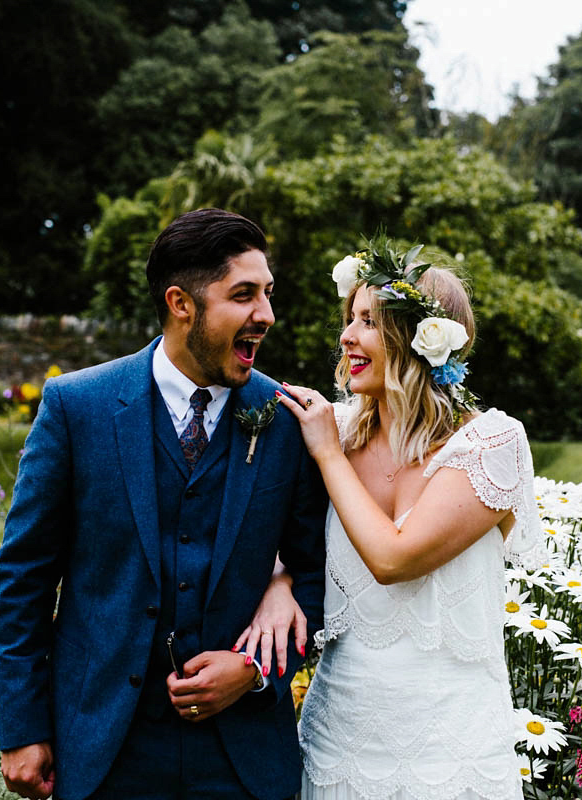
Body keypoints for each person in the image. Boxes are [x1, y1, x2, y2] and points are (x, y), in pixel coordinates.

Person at [0, 208, 327, 800]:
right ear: (181, 303)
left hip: (243, 762)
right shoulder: (78, 407)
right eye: (244, 295)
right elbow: (24, 578)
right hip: (104, 752)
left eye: (268, 294)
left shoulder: (287, 420)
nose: (267, 316)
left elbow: (319, 578)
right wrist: (22, 728)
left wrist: (253, 672)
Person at [239, 241, 544, 799]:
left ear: (419, 340)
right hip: (342, 735)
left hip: (452, 745)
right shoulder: (336, 427)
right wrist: (280, 580)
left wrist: (329, 456)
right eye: (349, 319)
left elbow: (393, 558)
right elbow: (270, 530)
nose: (347, 337)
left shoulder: (490, 443)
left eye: (369, 323)